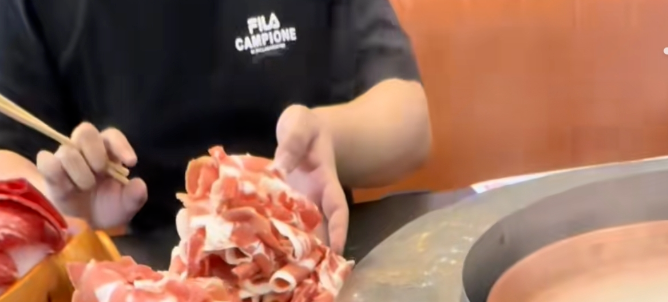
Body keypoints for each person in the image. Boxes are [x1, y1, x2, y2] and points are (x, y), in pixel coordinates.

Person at [0, 0, 431, 252]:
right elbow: (9, 162)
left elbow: (408, 118)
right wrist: (62, 205)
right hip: (155, 297)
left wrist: (326, 139)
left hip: (318, 266)